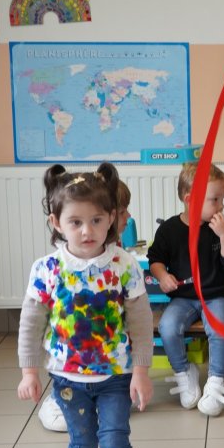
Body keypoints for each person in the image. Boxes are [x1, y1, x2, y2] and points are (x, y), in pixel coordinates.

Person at [17, 163, 153, 448]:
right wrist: (29, 372)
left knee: (116, 441)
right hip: (67, 379)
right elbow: (31, 324)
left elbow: (141, 324)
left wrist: (141, 372)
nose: (87, 230)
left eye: (96, 220)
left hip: (116, 376)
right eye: (75, 222)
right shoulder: (46, 269)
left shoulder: (125, 265)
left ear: (111, 218)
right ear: (56, 222)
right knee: (83, 441)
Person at [37, 178, 134, 433]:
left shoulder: (121, 259)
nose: (128, 217)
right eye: (124, 211)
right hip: (71, 367)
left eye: (96, 220)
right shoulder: (56, 265)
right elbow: (36, 320)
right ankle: (55, 401)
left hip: (109, 365)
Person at [148, 161, 224, 416]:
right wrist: (163, 276)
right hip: (183, 298)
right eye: (215, 200)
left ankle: (216, 382)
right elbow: (155, 259)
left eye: (222, 199)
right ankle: (183, 372)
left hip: (216, 296)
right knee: (168, 327)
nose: (221, 206)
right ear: (190, 200)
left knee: (219, 329)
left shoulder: (222, 228)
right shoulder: (169, 230)